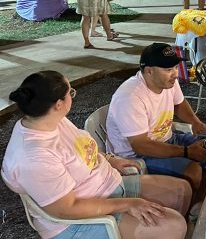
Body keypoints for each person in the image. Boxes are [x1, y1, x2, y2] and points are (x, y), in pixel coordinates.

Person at [2, 71, 190, 239]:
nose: (73, 96)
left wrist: (109, 159)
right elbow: (66, 209)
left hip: (105, 185)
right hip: (74, 222)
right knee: (174, 225)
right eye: (71, 93)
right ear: (59, 104)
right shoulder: (34, 156)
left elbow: (79, 150)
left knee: (181, 190)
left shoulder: (51, 120)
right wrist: (127, 204)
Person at [106, 43, 206, 210]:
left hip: (167, 138)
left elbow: (179, 103)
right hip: (137, 155)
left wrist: (196, 122)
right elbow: (141, 145)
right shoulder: (130, 97)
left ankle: (200, 206)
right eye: (168, 69)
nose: (175, 74)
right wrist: (187, 152)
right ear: (149, 71)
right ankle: (187, 216)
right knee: (193, 170)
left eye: (175, 67)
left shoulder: (167, 82)